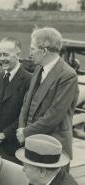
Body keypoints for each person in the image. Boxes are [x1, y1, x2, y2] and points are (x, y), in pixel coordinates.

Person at [17, 27, 79, 160]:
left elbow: (54, 115)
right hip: (33, 143)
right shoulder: (39, 69)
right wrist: (22, 128)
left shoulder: (68, 76)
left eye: (32, 49)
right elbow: (26, 103)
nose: (30, 53)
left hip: (54, 147)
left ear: (44, 50)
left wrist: (26, 132)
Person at [0, 37, 31, 163]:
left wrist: (4, 134)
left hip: (12, 147)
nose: (2, 58)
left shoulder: (29, 80)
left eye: (6, 54)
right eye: (0, 54)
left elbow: (25, 115)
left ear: (18, 55)